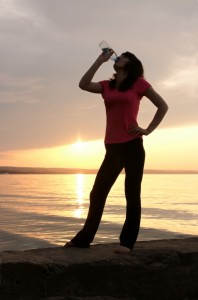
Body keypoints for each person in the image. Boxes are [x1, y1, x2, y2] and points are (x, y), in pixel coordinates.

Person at [65, 49, 168, 254]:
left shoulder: (139, 84)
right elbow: (83, 84)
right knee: (98, 193)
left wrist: (147, 130)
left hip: (132, 145)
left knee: (131, 193)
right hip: (112, 147)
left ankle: (127, 243)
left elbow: (162, 106)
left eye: (123, 55)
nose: (118, 56)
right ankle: (84, 239)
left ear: (131, 63)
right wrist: (99, 61)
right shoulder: (107, 85)